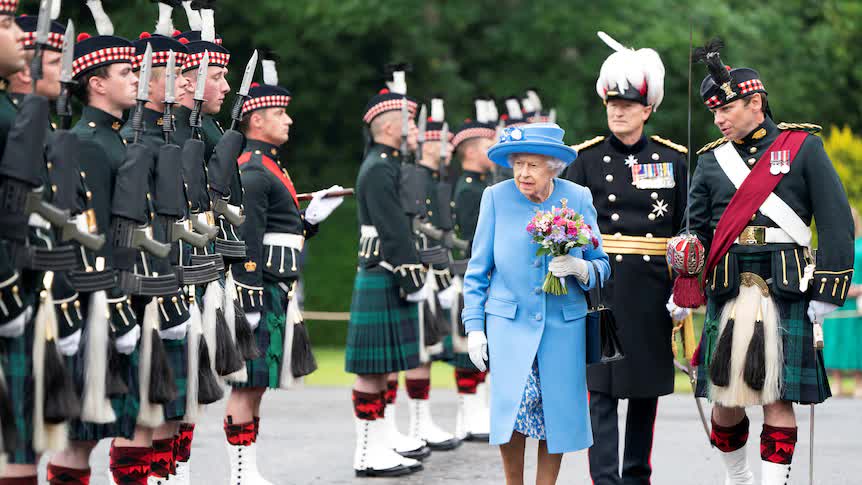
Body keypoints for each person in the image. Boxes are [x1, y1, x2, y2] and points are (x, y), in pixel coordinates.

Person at [669, 39, 854, 484]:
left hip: (786, 285)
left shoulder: (803, 148)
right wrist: (682, 277)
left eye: (725, 109)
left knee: (778, 397)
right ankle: (739, 478)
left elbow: (834, 224)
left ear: (755, 102)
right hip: (729, 286)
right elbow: (696, 230)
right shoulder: (711, 161)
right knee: (724, 401)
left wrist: (828, 291)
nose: (718, 119)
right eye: (713, 112)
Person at [563, 32, 689, 485]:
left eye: (629, 104)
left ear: (647, 109)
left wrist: (685, 286)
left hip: (652, 289)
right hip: (599, 286)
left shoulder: (672, 159)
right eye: (612, 104)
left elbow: (687, 228)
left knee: (643, 392)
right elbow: (566, 225)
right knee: (600, 391)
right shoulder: (585, 160)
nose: (618, 111)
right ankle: (604, 480)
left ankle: (636, 476)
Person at [462, 122, 610, 485]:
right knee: (511, 412)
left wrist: (580, 267)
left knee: (555, 414)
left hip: (563, 327)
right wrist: (474, 328)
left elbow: (602, 264)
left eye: (532, 165)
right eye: (518, 164)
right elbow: (477, 270)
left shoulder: (577, 198)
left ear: (553, 166)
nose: (523, 173)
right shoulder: (495, 197)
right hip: (508, 326)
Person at [227, 60, 344, 485]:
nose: (289, 119)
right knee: (246, 385)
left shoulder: (272, 165)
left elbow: (282, 231)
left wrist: (309, 221)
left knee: (256, 386)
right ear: (257, 120)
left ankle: (248, 469)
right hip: (262, 288)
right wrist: (250, 297)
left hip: (278, 284)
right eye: (280, 113)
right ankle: (240, 473)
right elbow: (250, 239)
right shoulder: (254, 169)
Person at [345, 79, 426, 478]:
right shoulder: (378, 168)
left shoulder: (387, 164)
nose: (414, 130)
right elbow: (393, 229)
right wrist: (414, 275)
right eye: (409, 122)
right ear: (391, 127)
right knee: (371, 370)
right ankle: (365, 451)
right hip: (384, 270)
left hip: (385, 272)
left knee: (382, 369)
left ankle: (378, 443)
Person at [447, 98, 500, 442]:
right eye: (488, 146)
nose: (494, 151)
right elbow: (475, 242)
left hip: (478, 274)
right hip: (472, 274)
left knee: (484, 349)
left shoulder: (481, 186)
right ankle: (469, 415)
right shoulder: (470, 189)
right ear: (469, 151)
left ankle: (478, 411)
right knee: (471, 348)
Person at [823, 206, 862, 398]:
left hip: (857, 303)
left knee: (855, 342)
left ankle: (858, 382)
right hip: (837, 300)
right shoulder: (834, 245)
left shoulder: (861, 246)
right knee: (835, 340)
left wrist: (859, 289)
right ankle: (836, 381)